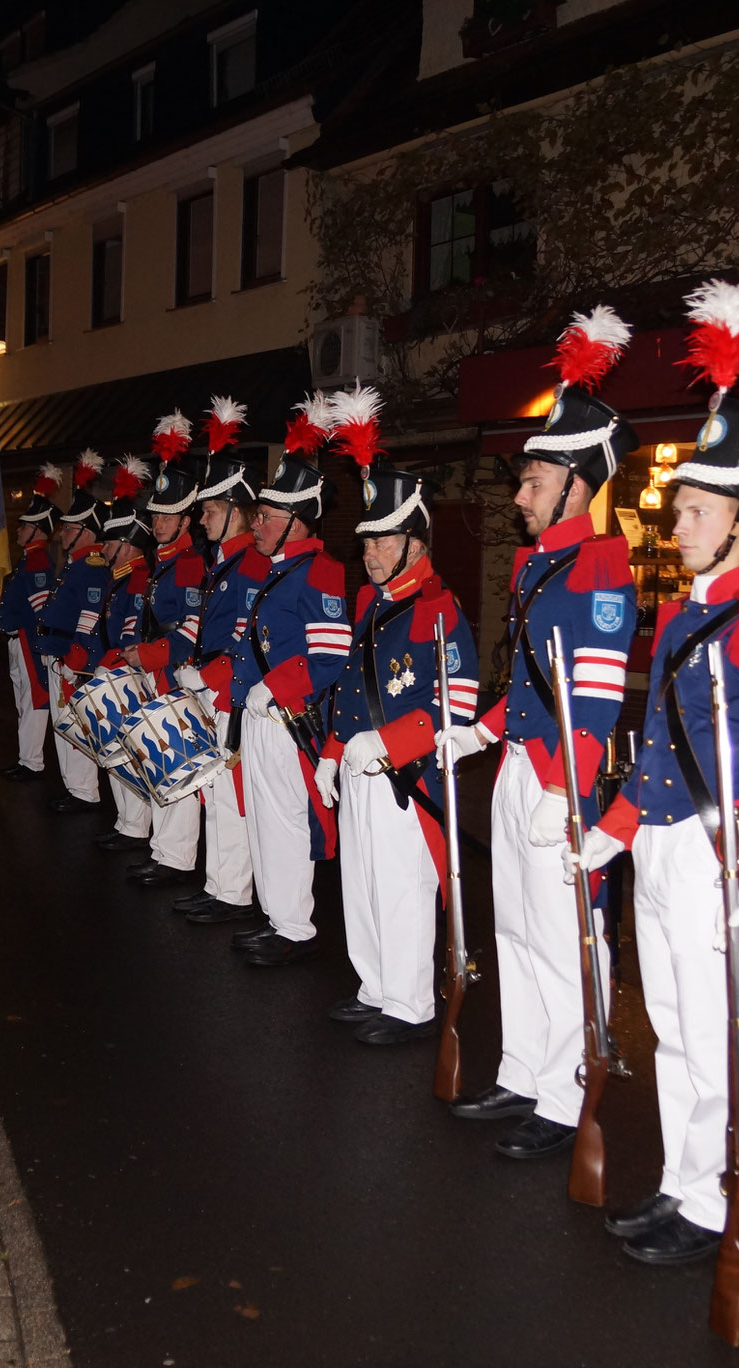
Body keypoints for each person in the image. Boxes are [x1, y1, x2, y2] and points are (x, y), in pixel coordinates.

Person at [568, 280, 739, 1264]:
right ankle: (680, 1182)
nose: (672, 523)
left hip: (727, 851)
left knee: (720, 1033)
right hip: (667, 846)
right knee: (671, 1026)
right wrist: (616, 826)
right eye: (674, 506)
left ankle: (719, 1199)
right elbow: (665, 748)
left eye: (694, 509)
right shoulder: (678, 615)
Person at [447, 306, 639, 1161]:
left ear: (575, 485)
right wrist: (479, 734)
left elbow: (591, 699)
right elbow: (527, 683)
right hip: (522, 764)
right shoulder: (537, 566)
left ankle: (565, 1096)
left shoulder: (599, 569)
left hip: (561, 777)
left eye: (532, 482)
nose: (519, 496)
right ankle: (523, 1068)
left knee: (563, 940)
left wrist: (568, 791)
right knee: (517, 928)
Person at [311, 385, 479, 1044]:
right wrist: (331, 752)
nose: (369, 553)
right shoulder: (370, 603)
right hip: (357, 766)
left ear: (415, 540)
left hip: (403, 776)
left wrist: (382, 747)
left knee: (403, 887)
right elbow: (351, 687)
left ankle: (410, 1003)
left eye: (382, 541)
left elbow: (456, 706)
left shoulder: (439, 606)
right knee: (361, 883)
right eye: (367, 541)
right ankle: (374, 984)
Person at [225, 395, 348, 967]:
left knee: (288, 822)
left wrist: (273, 688)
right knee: (265, 820)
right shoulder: (275, 570)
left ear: (298, 521)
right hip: (258, 714)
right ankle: (276, 917)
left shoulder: (319, 570)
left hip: (289, 717)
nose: (257, 522)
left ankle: (294, 925)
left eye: (268, 516)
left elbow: (329, 658)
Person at [168, 435, 268, 925]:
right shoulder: (223, 562)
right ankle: (217, 884)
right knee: (214, 791)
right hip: (211, 688)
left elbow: (246, 637)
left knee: (230, 794)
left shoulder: (252, 564)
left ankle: (232, 891)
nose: (202, 518)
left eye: (210, 509)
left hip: (232, 691)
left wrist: (208, 676)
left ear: (236, 511)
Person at [119, 411, 209, 886]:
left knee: (175, 760)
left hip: (175, 672)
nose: (157, 521)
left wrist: (151, 656)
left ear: (187, 518)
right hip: (152, 670)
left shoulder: (192, 564)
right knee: (154, 759)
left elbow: (192, 630)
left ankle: (175, 856)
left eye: (168, 515)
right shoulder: (159, 562)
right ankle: (161, 846)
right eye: (154, 514)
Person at [65, 460, 158, 855]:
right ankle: (126, 823)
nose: (102, 549)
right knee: (116, 751)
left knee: (129, 753)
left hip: (126, 675)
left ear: (128, 545)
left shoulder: (137, 579)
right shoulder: (119, 578)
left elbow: (131, 635)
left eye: (109, 543)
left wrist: (107, 666)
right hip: (111, 671)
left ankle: (135, 826)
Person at [32, 450, 108, 814]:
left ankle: (84, 791)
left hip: (71, 656)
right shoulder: (76, 564)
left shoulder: (92, 566)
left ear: (85, 532)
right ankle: (74, 787)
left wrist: (75, 657)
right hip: (58, 649)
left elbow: (90, 615)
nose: (61, 533)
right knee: (64, 725)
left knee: (75, 725)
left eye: (68, 528)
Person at [0, 471, 65, 782]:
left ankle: (31, 761)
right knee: (24, 699)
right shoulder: (29, 559)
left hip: (28, 640)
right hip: (18, 639)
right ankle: (27, 757)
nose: (19, 529)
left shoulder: (37, 562)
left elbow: (40, 611)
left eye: (25, 525)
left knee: (33, 699)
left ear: (37, 530)